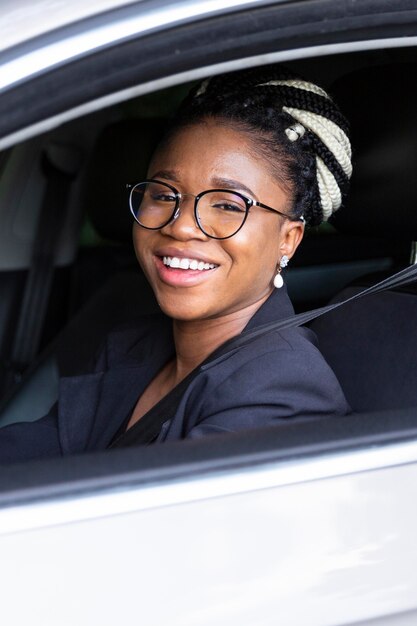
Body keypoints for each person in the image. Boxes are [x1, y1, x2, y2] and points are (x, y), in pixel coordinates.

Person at [0, 65, 352, 462]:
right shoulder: (132, 344)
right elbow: (35, 454)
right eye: (165, 196)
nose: (181, 226)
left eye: (227, 205)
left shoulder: (282, 393)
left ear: (288, 239)